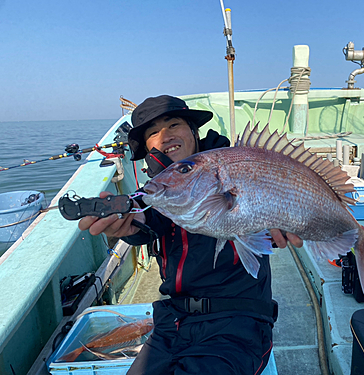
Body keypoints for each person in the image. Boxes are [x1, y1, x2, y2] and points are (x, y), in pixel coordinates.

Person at [78, 95, 303, 375]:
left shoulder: (236, 172)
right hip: (172, 322)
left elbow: (274, 196)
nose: (166, 135)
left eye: (174, 124)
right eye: (153, 132)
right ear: (148, 149)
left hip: (237, 321)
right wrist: (125, 225)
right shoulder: (160, 190)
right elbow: (145, 217)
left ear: (194, 132)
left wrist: (277, 214)